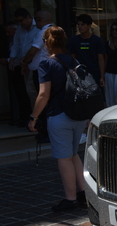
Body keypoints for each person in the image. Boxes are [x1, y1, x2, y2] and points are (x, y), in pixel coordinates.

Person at [28, 26, 87, 212]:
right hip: (78, 115)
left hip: (59, 116)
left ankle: (70, 199)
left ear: (46, 43)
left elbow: (43, 94)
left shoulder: (47, 64)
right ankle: (84, 193)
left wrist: (33, 117)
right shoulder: (73, 61)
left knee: (63, 158)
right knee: (73, 154)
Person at [9, 8, 40, 124]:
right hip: (24, 65)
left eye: (21, 20)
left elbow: (34, 50)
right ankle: (33, 117)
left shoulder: (38, 29)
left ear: (28, 17)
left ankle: (37, 118)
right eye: (18, 21)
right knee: (28, 92)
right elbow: (16, 45)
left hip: (34, 64)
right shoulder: (20, 30)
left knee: (33, 92)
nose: (20, 23)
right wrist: (12, 60)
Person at [21, 10, 54, 108]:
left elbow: (32, 52)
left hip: (40, 70)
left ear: (40, 20)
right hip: (50, 68)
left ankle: (39, 118)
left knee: (39, 96)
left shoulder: (44, 32)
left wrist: (24, 62)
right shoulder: (55, 30)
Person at [68, 13, 105, 90]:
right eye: (78, 24)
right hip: (80, 73)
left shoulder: (97, 40)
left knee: (97, 97)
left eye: (83, 24)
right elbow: (73, 59)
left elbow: (101, 59)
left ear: (89, 25)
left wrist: (102, 76)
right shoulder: (73, 41)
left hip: (94, 73)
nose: (80, 27)